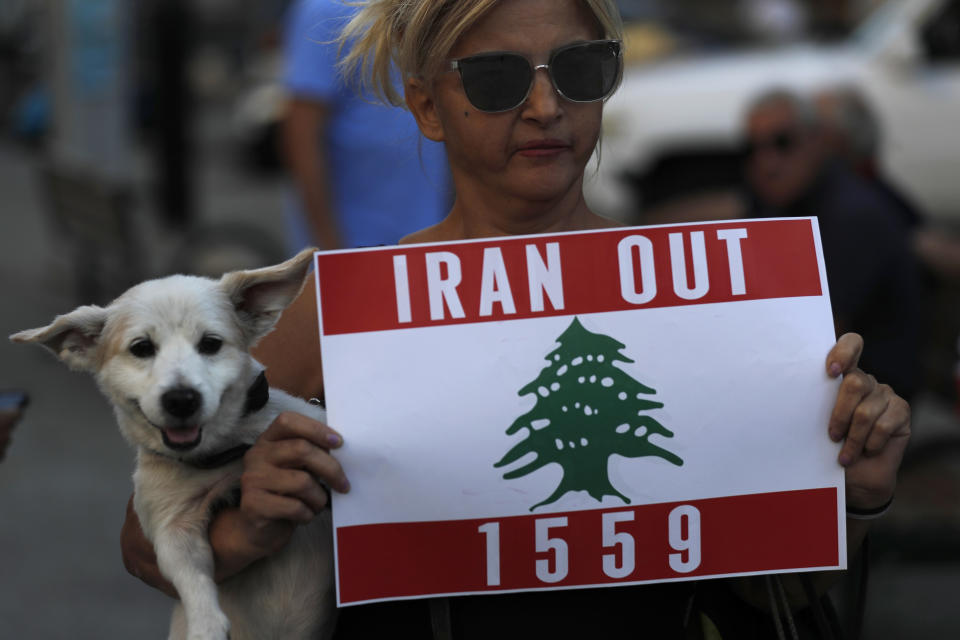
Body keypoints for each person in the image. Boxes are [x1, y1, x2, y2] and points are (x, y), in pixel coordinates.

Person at [121, 1, 911, 636]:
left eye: (579, 70)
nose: (544, 107)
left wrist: (857, 495)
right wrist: (246, 531)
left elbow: (778, 586)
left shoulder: (703, 301)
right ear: (427, 107)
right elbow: (142, 543)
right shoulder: (350, 307)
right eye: (497, 79)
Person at [742, 88, 923, 402]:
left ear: (817, 139)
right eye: (752, 148)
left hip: (875, 398)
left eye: (783, 143)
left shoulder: (851, 215)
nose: (767, 161)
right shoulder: (784, 201)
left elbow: (815, 341)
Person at [281, 0, 450, 250]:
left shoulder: (429, 7)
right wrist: (328, 246)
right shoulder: (324, 9)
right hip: (354, 243)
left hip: (423, 239)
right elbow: (301, 134)